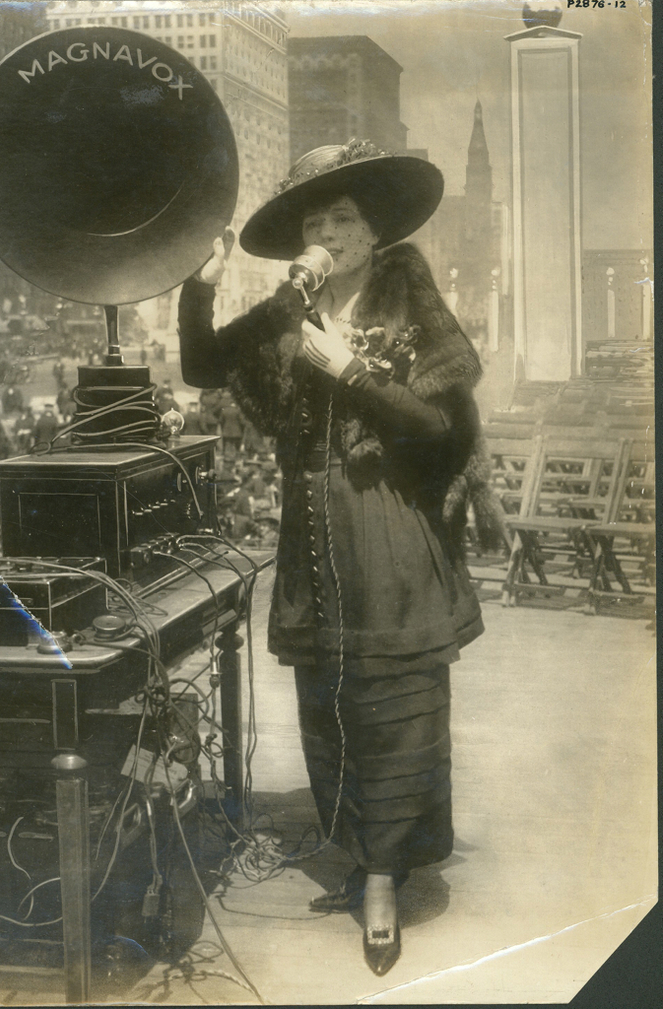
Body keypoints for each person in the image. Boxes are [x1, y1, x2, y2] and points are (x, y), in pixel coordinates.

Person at [177, 140, 503, 975]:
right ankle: (359, 854)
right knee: (326, 703)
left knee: (394, 706)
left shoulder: (406, 291)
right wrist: (202, 282)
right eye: (315, 222)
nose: (327, 232)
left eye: (343, 218)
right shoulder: (290, 306)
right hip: (309, 530)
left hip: (386, 522)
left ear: (371, 229)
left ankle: (387, 880)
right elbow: (201, 364)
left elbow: (438, 427)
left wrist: (353, 370)